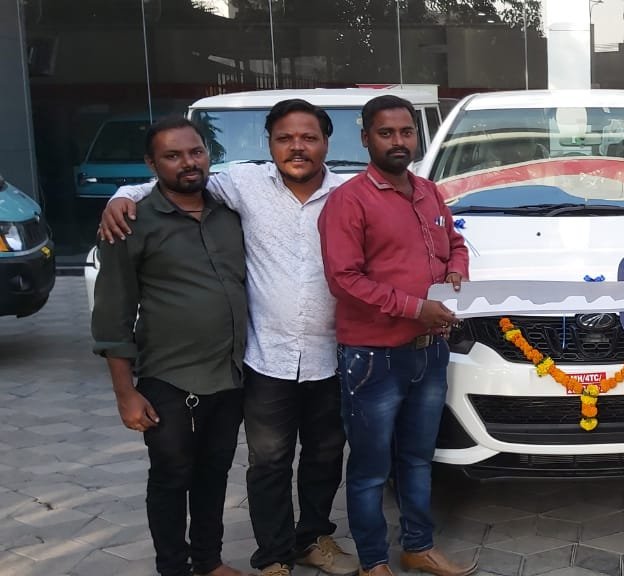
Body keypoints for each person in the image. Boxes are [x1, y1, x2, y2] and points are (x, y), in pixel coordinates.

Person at [100, 99, 358, 576]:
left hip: (317, 358)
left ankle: (302, 541)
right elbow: (169, 184)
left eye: (308, 137)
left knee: (318, 456)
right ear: (269, 144)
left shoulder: (344, 195)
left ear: (326, 142)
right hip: (253, 360)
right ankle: (268, 556)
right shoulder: (241, 186)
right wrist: (120, 194)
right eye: (284, 138)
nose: (297, 147)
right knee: (260, 462)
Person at [317, 95, 473, 576]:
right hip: (373, 358)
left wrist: (457, 270)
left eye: (406, 132)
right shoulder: (349, 200)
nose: (398, 141)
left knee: (418, 458)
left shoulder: (429, 192)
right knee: (370, 469)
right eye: (386, 133)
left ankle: (418, 547)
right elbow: (344, 279)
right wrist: (415, 308)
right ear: (366, 138)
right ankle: (373, 562)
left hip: (429, 353)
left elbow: (456, 243)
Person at [91, 116, 249, 576]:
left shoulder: (231, 212)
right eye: (173, 156)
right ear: (151, 164)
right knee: (171, 476)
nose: (188, 163)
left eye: (195, 152)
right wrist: (125, 393)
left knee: (214, 473)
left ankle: (208, 561)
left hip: (230, 374)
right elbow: (112, 314)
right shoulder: (130, 222)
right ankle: (173, 568)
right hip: (169, 378)